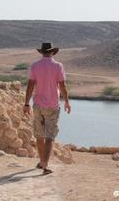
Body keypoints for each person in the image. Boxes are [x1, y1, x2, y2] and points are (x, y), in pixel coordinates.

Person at [24, 42, 71, 175]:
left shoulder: (34, 66)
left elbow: (30, 86)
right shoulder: (58, 66)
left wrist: (26, 104)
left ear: (42, 52)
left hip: (38, 105)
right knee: (50, 136)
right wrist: (66, 101)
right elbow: (62, 85)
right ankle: (45, 164)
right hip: (52, 106)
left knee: (39, 135)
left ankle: (41, 161)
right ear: (52, 52)